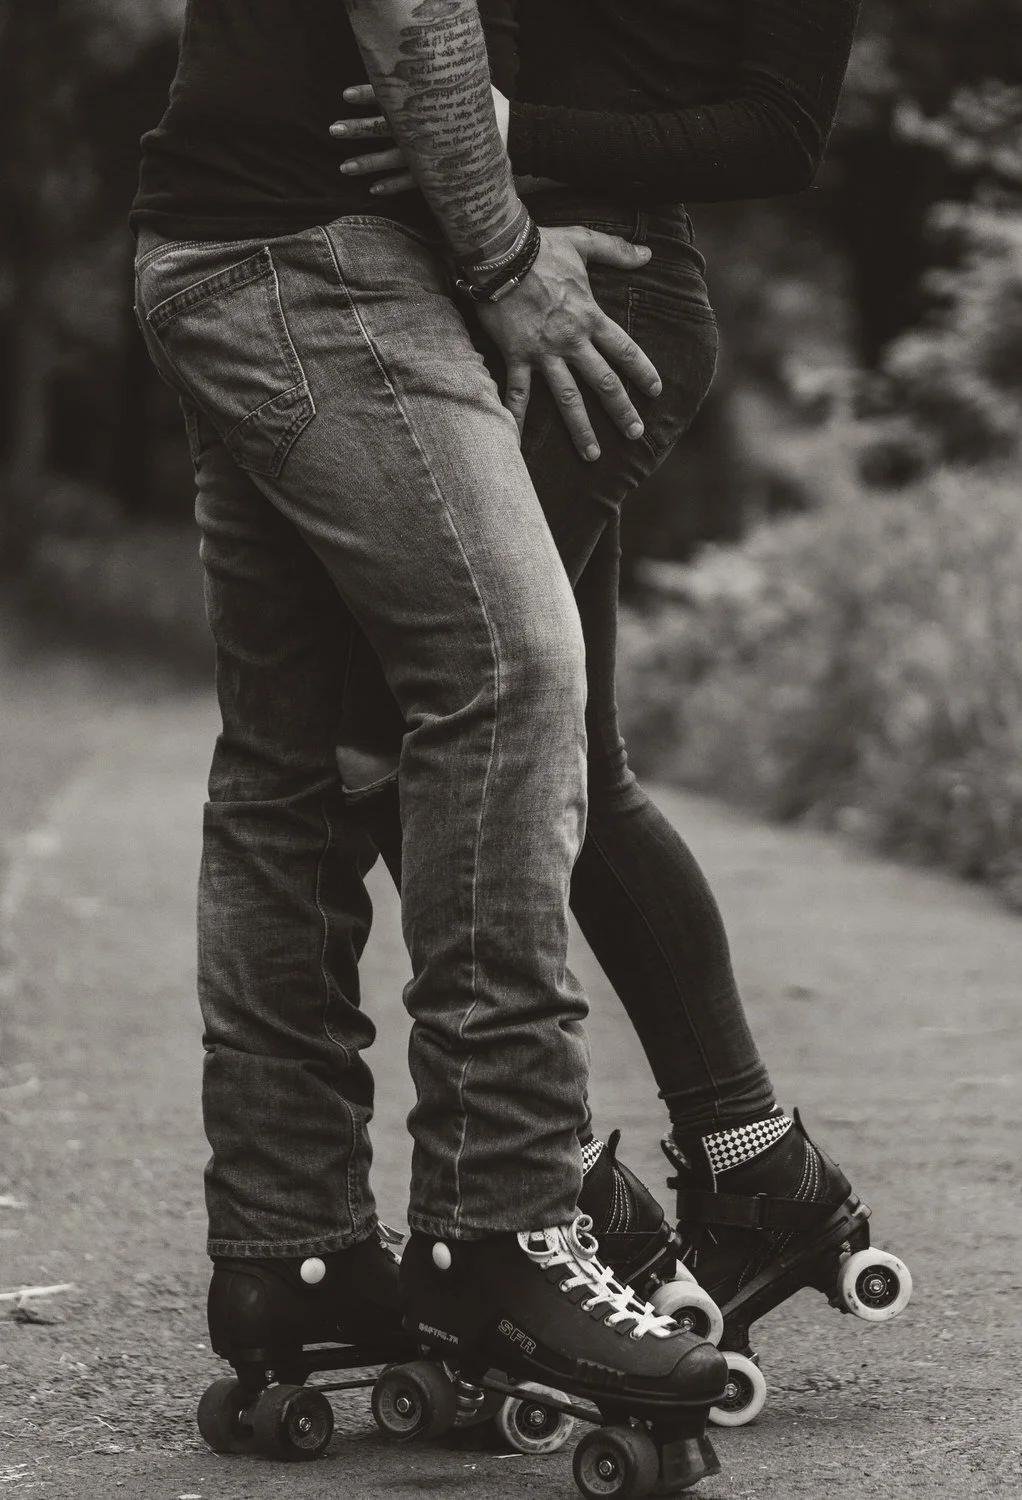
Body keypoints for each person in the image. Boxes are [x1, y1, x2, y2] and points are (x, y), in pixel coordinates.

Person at [130, 0, 730, 1469]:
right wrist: (510, 258)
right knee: (516, 673)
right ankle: (500, 1227)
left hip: (251, 240)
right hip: (317, 263)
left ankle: (297, 1261)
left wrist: (494, 233)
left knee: (291, 776)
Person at [327, 0, 909, 1425]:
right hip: (482, 283)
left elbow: (782, 128)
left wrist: (508, 134)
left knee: (429, 735)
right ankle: (745, 1163)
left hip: (606, 300)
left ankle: (549, 1196)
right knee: (564, 761)